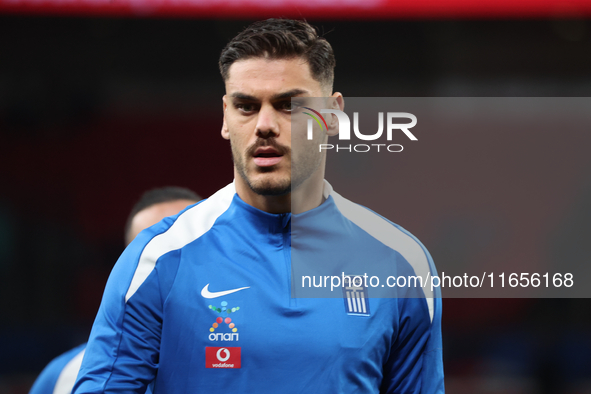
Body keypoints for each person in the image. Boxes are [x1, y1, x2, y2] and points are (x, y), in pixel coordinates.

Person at [73, 19, 444, 394]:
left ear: (333, 116)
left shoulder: (400, 263)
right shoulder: (159, 259)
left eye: (288, 105)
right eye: (246, 106)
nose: (265, 125)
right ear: (225, 116)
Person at [29, 187, 201, 394]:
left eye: (190, 252)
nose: (170, 273)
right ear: (126, 270)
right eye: (152, 259)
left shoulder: (242, 359)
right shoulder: (65, 376)